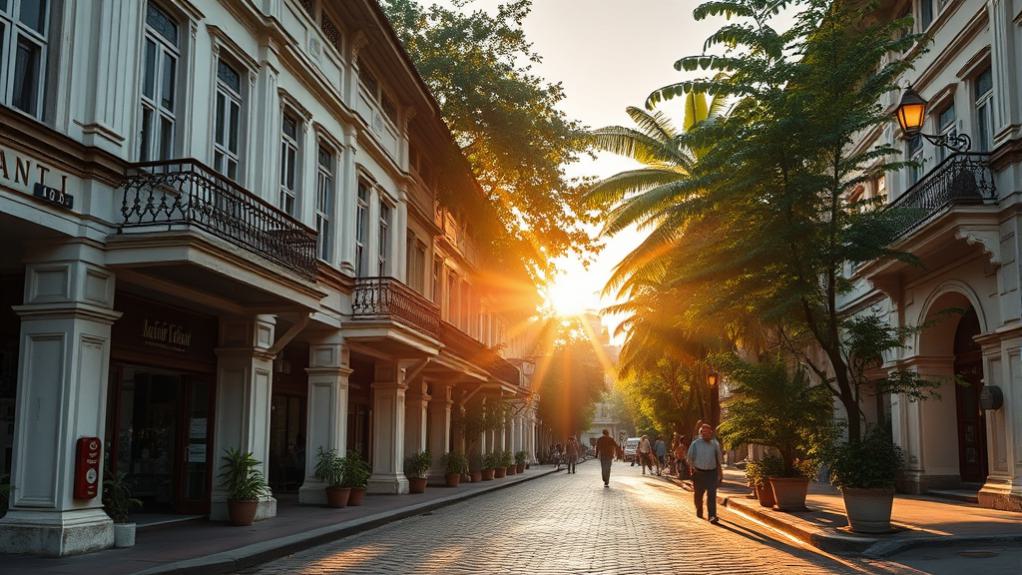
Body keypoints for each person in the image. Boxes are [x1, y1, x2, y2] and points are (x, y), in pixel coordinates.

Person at [687, 423, 724, 524]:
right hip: (699, 473)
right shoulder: (695, 444)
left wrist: (720, 474)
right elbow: (689, 458)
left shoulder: (715, 444)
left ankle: (712, 515)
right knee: (698, 495)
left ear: (711, 433)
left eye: (709, 432)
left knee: (712, 494)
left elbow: (718, 460)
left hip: (712, 473)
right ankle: (699, 508)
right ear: (701, 433)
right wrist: (692, 470)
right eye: (704, 432)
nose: (707, 434)